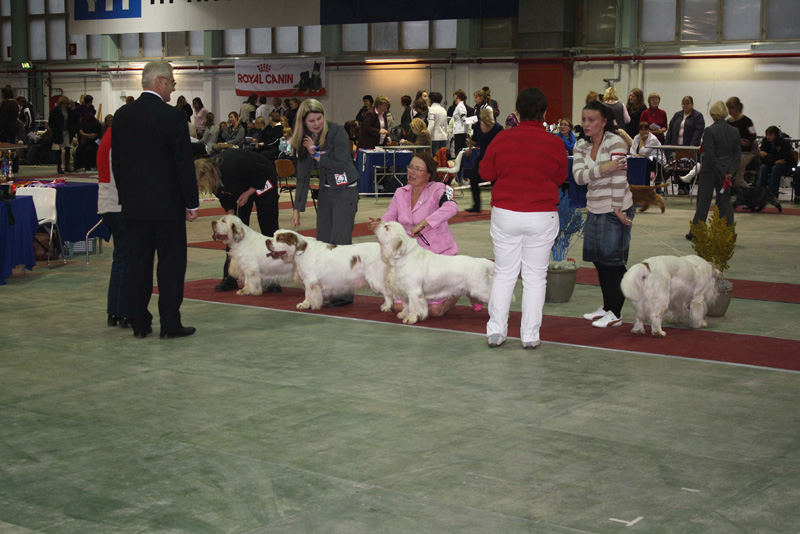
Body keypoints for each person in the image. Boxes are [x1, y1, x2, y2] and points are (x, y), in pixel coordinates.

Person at [111, 60, 199, 339]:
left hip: (134, 207)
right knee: (171, 266)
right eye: (172, 83)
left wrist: (126, 197)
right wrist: (191, 202)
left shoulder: (122, 115)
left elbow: (118, 163)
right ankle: (170, 323)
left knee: (138, 265)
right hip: (167, 207)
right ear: (160, 81)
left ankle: (140, 323)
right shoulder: (173, 117)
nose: (174, 89)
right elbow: (182, 164)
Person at [480, 87, 567, 349]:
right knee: (535, 277)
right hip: (541, 215)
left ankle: (496, 331)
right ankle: (530, 335)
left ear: (517, 112)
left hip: (506, 213)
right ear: (544, 113)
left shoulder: (503, 139)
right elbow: (560, 178)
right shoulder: (555, 142)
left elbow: (485, 171)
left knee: (504, 274)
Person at [367, 152, 466, 317]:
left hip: (437, 256)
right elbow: (390, 217)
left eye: (418, 169)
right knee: (399, 308)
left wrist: (422, 224)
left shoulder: (438, 189)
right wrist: (379, 225)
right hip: (410, 257)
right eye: (410, 167)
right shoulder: (400, 192)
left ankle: (456, 288)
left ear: (428, 175)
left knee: (434, 312)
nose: (412, 172)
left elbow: (451, 207)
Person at [291, 99, 360, 307]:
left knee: (340, 246)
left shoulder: (338, 133)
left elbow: (340, 166)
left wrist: (317, 155)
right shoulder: (304, 139)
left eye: (319, 118)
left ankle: (345, 294)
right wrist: (297, 209)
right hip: (326, 193)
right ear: (303, 122)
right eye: (311, 120)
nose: (316, 124)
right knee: (323, 244)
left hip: (345, 192)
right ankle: (329, 290)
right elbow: (302, 177)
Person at [573, 100, 634, 330]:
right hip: (595, 208)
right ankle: (607, 306)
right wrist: (605, 167)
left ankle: (616, 312)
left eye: (592, 120)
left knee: (614, 262)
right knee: (599, 261)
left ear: (604, 122)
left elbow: (619, 178)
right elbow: (578, 177)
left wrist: (618, 209)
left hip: (616, 208)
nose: (587, 124)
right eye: (584, 120)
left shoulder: (616, 142)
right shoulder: (580, 145)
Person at [194, 150, 281, 293]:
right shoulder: (213, 180)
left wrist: (248, 193)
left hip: (263, 182)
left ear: (207, 175)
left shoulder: (232, 164)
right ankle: (230, 277)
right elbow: (224, 196)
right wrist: (230, 213)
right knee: (233, 234)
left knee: (268, 228)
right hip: (240, 189)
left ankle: (273, 279)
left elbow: (264, 171)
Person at [96, 127, 131, 329]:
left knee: (120, 259)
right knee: (127, 260)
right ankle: (125, 311)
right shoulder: (120, 136)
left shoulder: (108, 136)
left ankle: (115, 311)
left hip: (109, 204)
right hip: (117, 205)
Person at [689, 101, 740, 235]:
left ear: (714, 114)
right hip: (727, 172)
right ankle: (727, 231)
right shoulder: (735, 131)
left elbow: (710, 155)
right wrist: (729, 172)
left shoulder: (710, 130)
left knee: (703, 202)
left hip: (710, 171)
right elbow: (737, 155)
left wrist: (721, 171)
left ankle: (697, 231)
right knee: (725, 203)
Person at [466, 107, 504, 213]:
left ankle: (499, 205)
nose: (486, 123)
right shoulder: (478, 125)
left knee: (495, 183)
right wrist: (469, 148)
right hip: (482, 157)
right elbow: (474, 138)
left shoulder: (498, 128)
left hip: (495, 159)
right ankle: (476, 205)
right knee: (473, 179)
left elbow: (502, 143)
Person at [666, 96, 705, 194]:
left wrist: (692, 146)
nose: (685, 105)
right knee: (678, 167)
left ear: (692, 104)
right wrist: (667, 144)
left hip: (689, 147)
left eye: (687, 103)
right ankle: (681, 187)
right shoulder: (677, 115)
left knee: (688, 166)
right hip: (677, 146)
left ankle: (685, 187)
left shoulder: (697, 116)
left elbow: (698, 131)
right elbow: (670, 129)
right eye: (683, 103)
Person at [726, 96, 758, 188]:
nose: (729, 111)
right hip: (733, 152)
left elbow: (753, 134)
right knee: (739, 179)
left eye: (731, 108)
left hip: (745, 153)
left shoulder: (747, 121)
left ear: (738, 107)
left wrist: (748, 141)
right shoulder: (728, 122)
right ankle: (750, 194)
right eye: (728, 108)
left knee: (733, 170)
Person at [758, 126, 796, 198]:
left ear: (775, 135)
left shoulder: (783, 143)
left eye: (770, 135)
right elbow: (762, 157)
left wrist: (768, 156)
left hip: (786, 164)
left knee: (776, 168)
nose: (768, 137)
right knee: (763, 167)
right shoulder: (765, 142)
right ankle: (760, 191)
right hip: (772, 163)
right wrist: (773, 160)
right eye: (767, 135)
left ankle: (773, 193)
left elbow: (783, 158)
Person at [48, 95, 78, 174]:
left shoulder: (70, 111)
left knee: (68, 149)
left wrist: (73, 130)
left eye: (66, 104)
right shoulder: (55, 111)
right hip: (58, 132)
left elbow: (73, 121)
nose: (65, 105)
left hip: (67, 132)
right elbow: (51, 122)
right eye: (63, 103)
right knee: (58, 150)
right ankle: (59, 167)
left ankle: (67, 166)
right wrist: (55, 130)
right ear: (60, 103)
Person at [452, 89, 469, 155]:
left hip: (460, 132)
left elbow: (464, 119)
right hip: (459, 132)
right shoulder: (459, 106)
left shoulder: (460, 106)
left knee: (459, 152)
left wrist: (467, 131)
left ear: (457, 96)